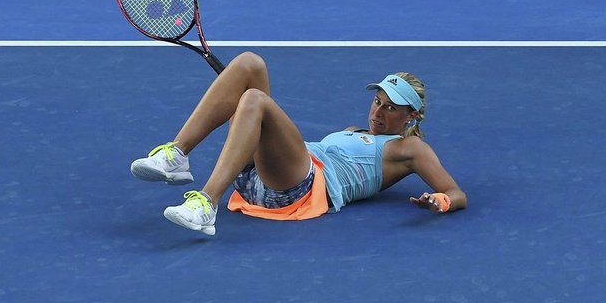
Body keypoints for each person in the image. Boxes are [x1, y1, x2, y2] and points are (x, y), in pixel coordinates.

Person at [129, 52, 466, 236]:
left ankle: (206, 204)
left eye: (391, 108)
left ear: (411, 117)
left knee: (255, 100)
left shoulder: (408, 150)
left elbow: (456, 193)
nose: (379, 112)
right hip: (264, 176)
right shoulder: (353, 130)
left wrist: (440, 201)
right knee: (250, 64)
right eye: (378, 101)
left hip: (297, 190)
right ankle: (177, 154)